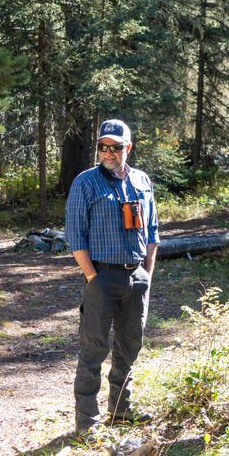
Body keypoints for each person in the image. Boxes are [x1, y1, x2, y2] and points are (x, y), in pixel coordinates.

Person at [65, 119, 159, 436]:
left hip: (136, 277)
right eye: (103, 146)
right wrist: (92, 276)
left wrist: (146, 273)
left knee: (129, 347)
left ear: (127, 148)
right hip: (101, 276)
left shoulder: (142, 181)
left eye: (115, 147)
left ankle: (120, 411)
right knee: (94, 349)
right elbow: (75, 236)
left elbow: (153, 233)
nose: (108, 152)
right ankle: (87, 423)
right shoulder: (85, 182)